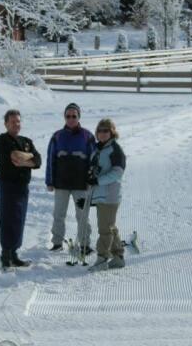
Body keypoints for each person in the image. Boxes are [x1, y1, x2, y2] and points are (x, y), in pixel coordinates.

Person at [46, 103, 96, 254]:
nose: (71, 119)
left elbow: (93, 160)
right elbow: (50, 159)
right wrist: (49, 181)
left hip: (81, 184)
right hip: (61, 183)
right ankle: (57, 243)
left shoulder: (87, 136)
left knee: (82, 215)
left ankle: (85, 244)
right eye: (68, 116)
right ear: (64, 117)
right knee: (58, 214)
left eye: (74, 116)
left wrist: (91, 180)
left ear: (79, 117)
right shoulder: (57, 136)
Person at [0, 109, 41, 268]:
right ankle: (6, 255)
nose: (16, 124)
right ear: (6, 123)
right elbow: (13, 157)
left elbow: (38, 160)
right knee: (8, 218)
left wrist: (24, 159)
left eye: (18, 121)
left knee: (19, 220)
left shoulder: (26, 140)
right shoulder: (2, 140)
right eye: (13, 121)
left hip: (23, 186)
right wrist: (28, 158)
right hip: (8, 185)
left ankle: (14, 253)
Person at [85, 119, 126, 271]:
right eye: (99, 130)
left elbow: (118, 172)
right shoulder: (98, 148)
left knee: (104, 228)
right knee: (110, 226)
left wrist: (98, 180)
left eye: (105, 131)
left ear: (112, 132)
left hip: (109, 195)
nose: (102, 133)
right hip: (101, 194)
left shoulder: (115, 149)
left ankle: (102, 259)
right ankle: (118, 257)